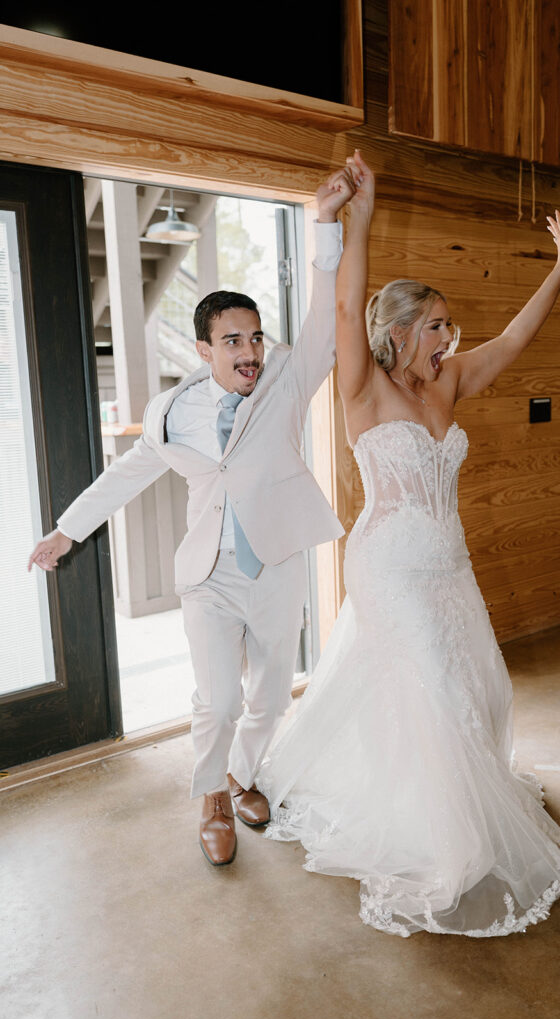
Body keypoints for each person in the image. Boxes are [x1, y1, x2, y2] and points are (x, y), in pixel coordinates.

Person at [257, 152, 560, 937]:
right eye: (438, 324)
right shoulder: (361, 387)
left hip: (449, 562)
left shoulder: (449, 380)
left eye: (450, 326)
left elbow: (517, 336)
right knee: (436, 687)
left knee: (477, 686)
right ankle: (447, 844)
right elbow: (346, 309)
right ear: (401, 329)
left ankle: (430, 793)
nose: (450, 336)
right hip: (390, 565)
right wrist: (358, 217)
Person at [27, 163, 360, 867]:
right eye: (232, 341)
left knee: (269, 695)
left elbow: (325, 319)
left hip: (276, 562)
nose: (249, 352)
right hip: (208, 573)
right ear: (204, 349)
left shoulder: (287, 381)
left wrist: (326, 223)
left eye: (255, 337)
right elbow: (127, 474)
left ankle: (242, 774)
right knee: (217, 698)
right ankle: (212, 798)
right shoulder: (172, 411)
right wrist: (65, 530)